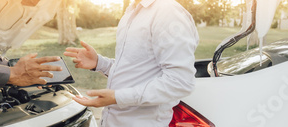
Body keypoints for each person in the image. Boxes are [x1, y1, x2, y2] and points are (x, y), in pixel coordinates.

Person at [63, 0, 199, 126]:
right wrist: (99, 63)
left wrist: (118, 97)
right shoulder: (131, 11)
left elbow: (180, 82)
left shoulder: (168, 12)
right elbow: (135, 70)